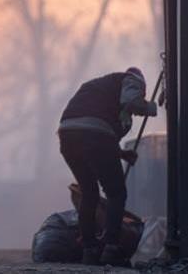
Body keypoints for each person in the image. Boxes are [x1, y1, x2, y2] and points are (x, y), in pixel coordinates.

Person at [57, 66, 157, 266]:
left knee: (89, 193)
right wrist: (149, 108)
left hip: (68, 135)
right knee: (116, 193)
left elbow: (92, 126)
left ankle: (90, 249)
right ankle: (111, 248)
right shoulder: (132, 79)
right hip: (94, 136)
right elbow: (130, 102)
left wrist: (120, 153)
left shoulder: (97, 89)